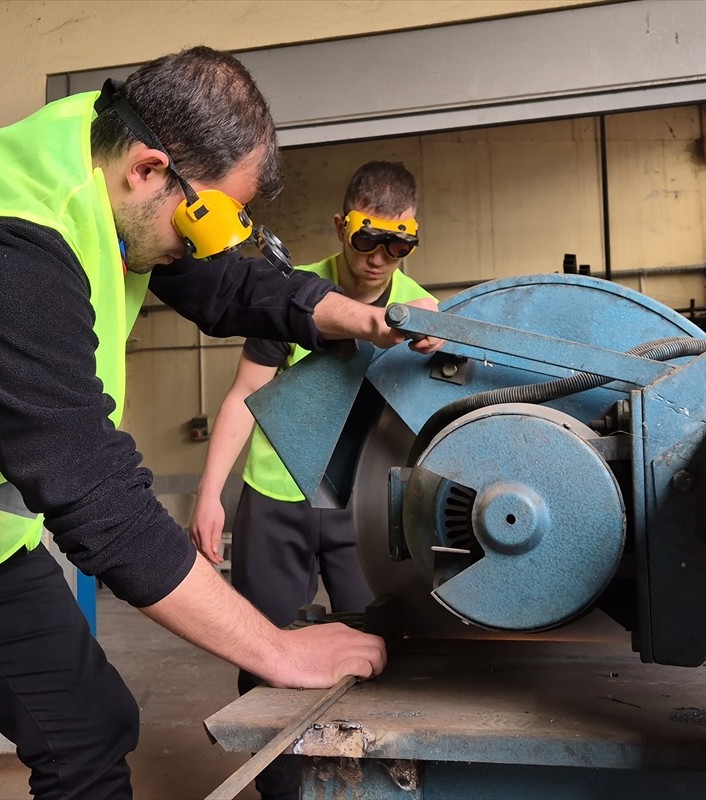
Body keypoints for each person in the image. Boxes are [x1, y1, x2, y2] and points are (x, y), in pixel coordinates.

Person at [0, 47, 440, 800]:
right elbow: (98, 500)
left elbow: (225, 280)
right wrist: (277, 649)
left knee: (91, 731)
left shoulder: (111, 150)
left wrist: (364, 318)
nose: (203, 244)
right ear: (151, 170)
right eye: (205, 221)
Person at [189, 161, 437, 800]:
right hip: (277, 499)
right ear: (341, 226)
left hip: (367, 511)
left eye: (397, 246)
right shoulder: (293, 296)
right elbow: (245, 397)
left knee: (380, 651)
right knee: (264, 652)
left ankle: (376, 787)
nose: (379, 259)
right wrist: (211, 493)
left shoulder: (423, 314)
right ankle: (281, 791)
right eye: (367, 240)